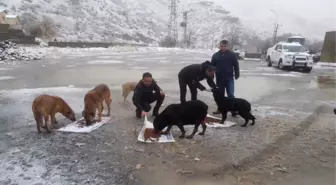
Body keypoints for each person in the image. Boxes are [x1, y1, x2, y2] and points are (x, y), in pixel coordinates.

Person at [211, 40, 240, 115]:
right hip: (219, 78)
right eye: (221, 46)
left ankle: (233, 110)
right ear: (219, 46)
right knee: (220, 95)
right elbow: (212, 67)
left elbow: (236, 65)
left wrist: (237, 74)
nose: (223, 48)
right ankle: (220, 109)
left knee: (230, 94)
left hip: (229, 78)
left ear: (227, 46)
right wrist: (212, 76)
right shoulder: (215, 55)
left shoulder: (232, 55)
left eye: (224, 46)